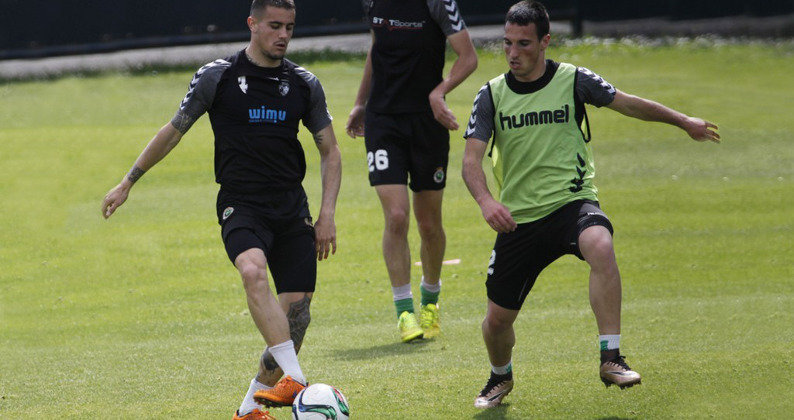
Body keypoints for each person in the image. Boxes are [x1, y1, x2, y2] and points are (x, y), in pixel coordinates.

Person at [462, 0, 720, 408]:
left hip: (572, 204)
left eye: (524, 44)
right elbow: (470, 160)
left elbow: (628, 102)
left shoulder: (573, 81)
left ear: (546, 41)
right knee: (496, 322)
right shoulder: (490, 95)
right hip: (519, 220)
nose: (513, 53)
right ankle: (500, 376)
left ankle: (611, 357)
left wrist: (683, 121)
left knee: (600, 243)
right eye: (507, 43)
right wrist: (486, 201)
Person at [101, 1, 342, 418]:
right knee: (252, 271)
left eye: (289, 27)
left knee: (294, 317)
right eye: (274, 26)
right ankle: (298, 380)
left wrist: (327, 215)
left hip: (291, 209)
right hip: (241, 204)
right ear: (252, 24)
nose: (283, 35)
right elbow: (173, 131)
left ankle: (250, 409)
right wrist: (128, 180)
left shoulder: (305, 84)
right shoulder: (219, 76)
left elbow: (330, 150)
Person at [346, 0, 478, 343]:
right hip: (383, 121)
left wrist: (440, 92)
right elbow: (378, 48)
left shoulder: (437, 3)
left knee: (429, 223)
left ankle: (430, 302)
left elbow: (468, 57)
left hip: (426, 124)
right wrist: (361, 102)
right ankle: (405, 312)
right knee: (397, 216)